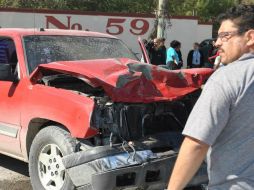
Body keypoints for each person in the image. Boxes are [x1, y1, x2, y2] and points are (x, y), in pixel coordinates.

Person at [167, 4, 254, 190]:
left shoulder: (228, 77)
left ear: (250, 37)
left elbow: (196, 144)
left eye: (225, 36)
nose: (217, 43)